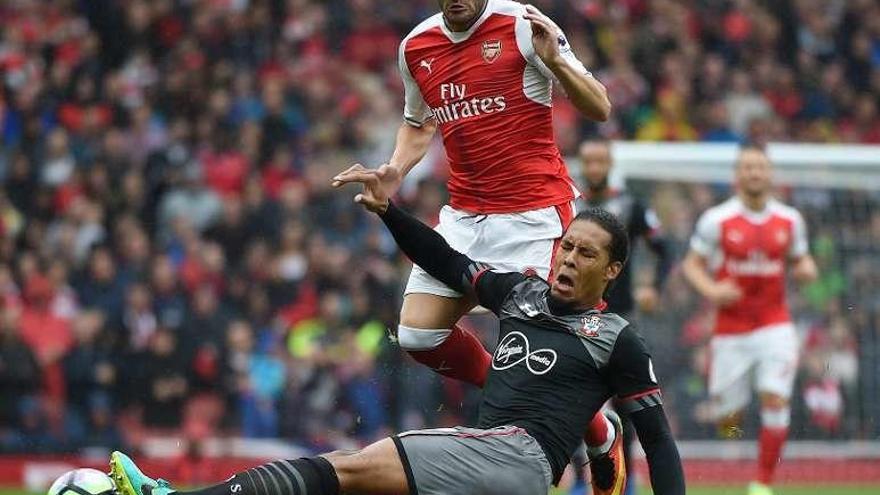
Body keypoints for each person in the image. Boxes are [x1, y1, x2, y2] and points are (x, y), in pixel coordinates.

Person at [108, 169, 685, 495]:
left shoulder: (617, 337)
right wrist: (389, 211)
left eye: (585, 255)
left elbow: (658, 441)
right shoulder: (521, 293)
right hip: (487, 467)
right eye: (566, 247)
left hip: (517, 460)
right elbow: (446, 260)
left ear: (612, 270)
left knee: (349, 468)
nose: (566, 260)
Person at [331, 1, 621, 491]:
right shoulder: (416, 46)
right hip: (465, 220)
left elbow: (600, 105)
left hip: (535, 219)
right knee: (419, 336)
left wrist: (556, 62)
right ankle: (595, 426)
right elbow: (419, 124)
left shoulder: (524, 27)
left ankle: (599, 437)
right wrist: (396, 170)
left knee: (544, 348)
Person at [682, 145, 818, 495]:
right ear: (737, 175)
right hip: (730, 330)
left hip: (775, 325)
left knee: (775, 398)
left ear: (769, 174)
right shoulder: (717, 220)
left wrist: (805, 268)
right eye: (747, 168)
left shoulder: (790, 220)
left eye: (760, 167)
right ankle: (737, 432)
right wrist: (712, 291)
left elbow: (800, 259)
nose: (754, 173)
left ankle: (762, 483)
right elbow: (691, 265)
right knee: (729, 417)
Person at [575, 139, 671, 495]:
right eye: (590, 160)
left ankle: (628, 480)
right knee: (576, 399)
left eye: (601, 160)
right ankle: (582, 481)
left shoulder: (631, 205)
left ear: (610, 162)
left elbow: (664, 249)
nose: (595, 167)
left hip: (622, 316)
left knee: (626, 402)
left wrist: (654, 287)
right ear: (583, 164)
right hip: (579, 315)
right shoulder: (572, 204)